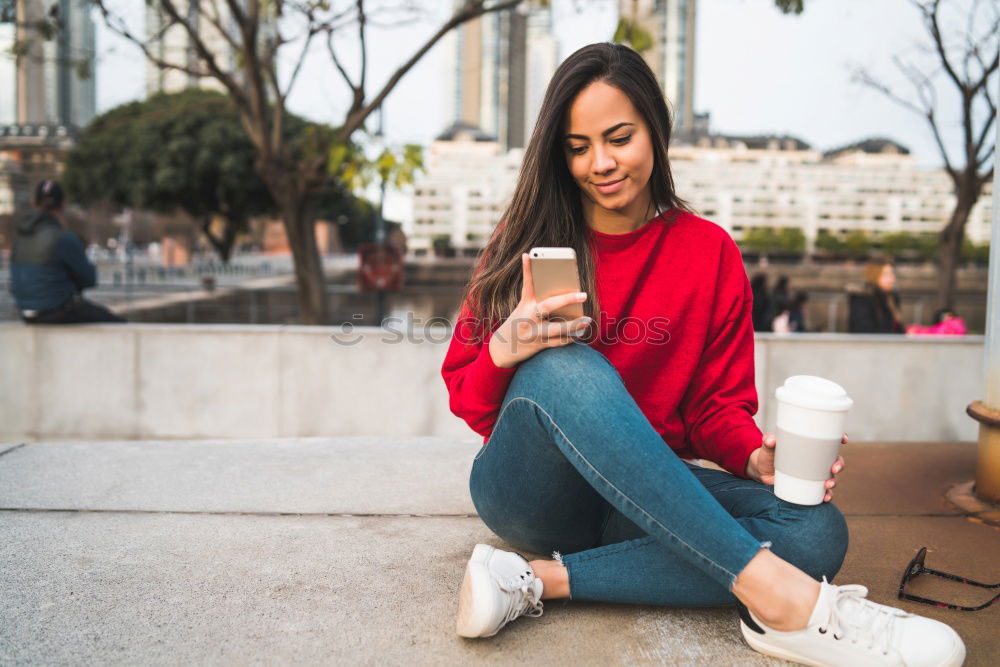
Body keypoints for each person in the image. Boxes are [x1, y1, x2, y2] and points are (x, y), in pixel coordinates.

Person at [440, 43, 964, 666]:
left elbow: (716, 406)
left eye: (619, 137)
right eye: (578, 147)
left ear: (655, 132)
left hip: (646, 497)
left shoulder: (709, 252)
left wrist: (753, 454)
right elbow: (468, 403)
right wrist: (508, 347)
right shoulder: (523, 242)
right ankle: (777, 599)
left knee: (817, 533)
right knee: (564, 366)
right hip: (531, 490)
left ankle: (536, 581)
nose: (600, 163)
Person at [9, 179, 125, 324]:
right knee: (117, 324)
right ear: (63, 204)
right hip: (55, 310)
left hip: (26, 312)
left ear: (34, 202)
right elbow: (89, 279)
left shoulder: (20, 237)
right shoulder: (62, 237)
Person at [847, 257, 903, 334]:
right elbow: (863, 329)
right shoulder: (863, 297)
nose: (892, 279)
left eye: (892, 274)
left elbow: (896, 328)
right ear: (875, 275)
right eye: (887, 275)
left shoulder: (892, 298)